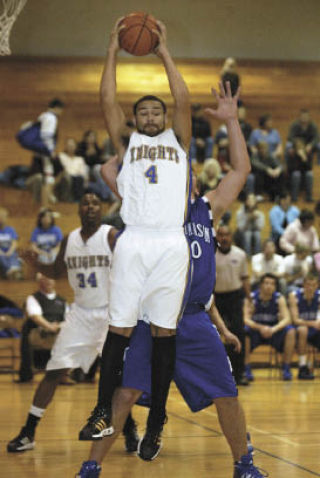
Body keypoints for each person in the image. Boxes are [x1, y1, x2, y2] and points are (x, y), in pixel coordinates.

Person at [76, 81, 266, 478]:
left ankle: (243, 464)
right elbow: (111, 168)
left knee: (227, 395)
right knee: (124, 393)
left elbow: (242, 169)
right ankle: (91, 466)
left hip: (194, 319)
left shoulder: (206, 209)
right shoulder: (141, 205)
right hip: (148, 319)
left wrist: (231, 122)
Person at [78, 18, 192, 454]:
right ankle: (103, 410)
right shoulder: (127, 145)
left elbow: (182, 97)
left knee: (165, 332)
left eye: (155, 111)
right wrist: (112, 47)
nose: (149, 116)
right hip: (134, 240)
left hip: (170, 242)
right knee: (120, 328)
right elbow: (107, 99)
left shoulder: (179, 140)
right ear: (135, 119)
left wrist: (163, 50)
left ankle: (158, 414)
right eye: (142, 111)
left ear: (164, 118)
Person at [7, 193, 137, 453]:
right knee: (54, 371)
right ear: (79, 210)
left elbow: (132, 266)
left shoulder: (111, 235)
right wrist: (37, 264)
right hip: (79, 314)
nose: (90, 206)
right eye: (85, 202)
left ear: (101, 210)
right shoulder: (70, 239)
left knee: (114, 378)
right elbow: (56, 271)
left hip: (110, 315)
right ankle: (29, 432)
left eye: (95, 203)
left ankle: (130, 431)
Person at [215, 224, 251, 386]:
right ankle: (215, 375)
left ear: (231, 237)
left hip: (235, 298)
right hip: (216, 299)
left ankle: (240, 373)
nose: (224, 238)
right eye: (221, 235)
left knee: (238, 334)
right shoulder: (211, 254)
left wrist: (249, 299)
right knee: (214, 336)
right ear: (217, 237)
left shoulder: (240, 254)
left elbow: (245, 278)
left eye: (227, 235)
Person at [244, 273, 296, 382]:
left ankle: (286, 368)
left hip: (273, 332)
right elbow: (245, 319)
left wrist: (273, 329)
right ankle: (246, 368)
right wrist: (260, 327)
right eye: (266, 283)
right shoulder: (252, 297)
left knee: (291, 331)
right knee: (244, 331)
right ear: (260, 285)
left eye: (272, 284)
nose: (269, 286)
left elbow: (287, 319)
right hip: (256, 331)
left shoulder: (279, 298)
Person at [17, 274, 66, 383]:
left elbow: (69, 318)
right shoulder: (33, 298)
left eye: (50, 278)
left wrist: (58, 326)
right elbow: (35, 316)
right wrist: (49, 327)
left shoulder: (62, 301)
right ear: (39, 282)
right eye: (45, 278)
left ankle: (65, 374)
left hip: (59, 332)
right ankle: (27, 373)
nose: (48, 281)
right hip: (39, 333)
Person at [288, 273, 320, 380]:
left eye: (313, 285)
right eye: (308, 285)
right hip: (298, 331)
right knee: (303, 330)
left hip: (315, 330)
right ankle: (302, 367)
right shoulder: (294, 295)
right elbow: (296, 320)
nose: (310, 288)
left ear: (317, 286)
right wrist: (313, 323)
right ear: (303, 285)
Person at [0, 207, 23, 280]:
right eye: (0, 217)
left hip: (10, 251)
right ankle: (10, 271)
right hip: (0, 252)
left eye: (3, 217)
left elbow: (14, 243)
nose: (1, 219)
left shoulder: (10, 229)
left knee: (13, 254)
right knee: (1, 256)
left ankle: (14, 269)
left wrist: (10, 251)